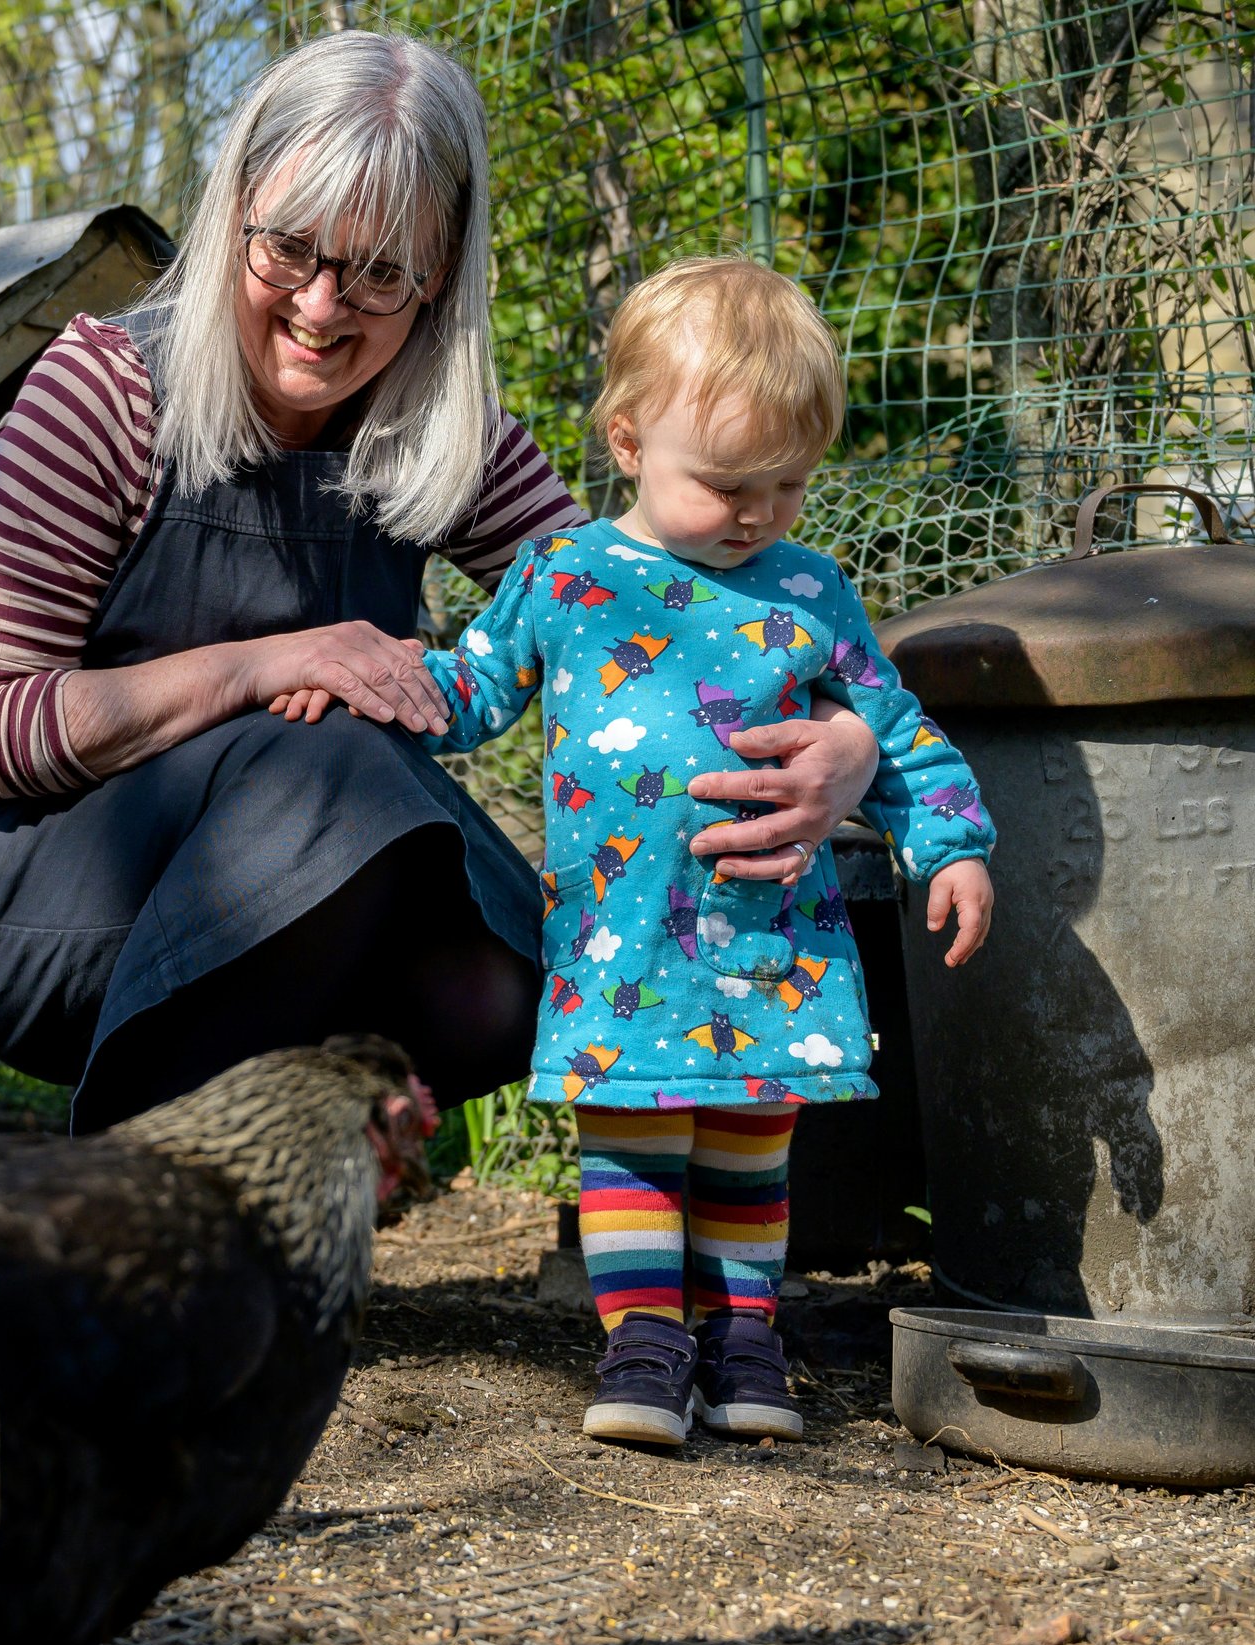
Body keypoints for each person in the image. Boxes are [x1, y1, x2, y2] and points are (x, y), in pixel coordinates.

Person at [0, 31, 885, 1129]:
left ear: (438, 275)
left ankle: (275, 1181)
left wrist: (844, 739)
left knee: (513, 939)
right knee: (340, 760)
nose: (320, 307)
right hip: (19, 878)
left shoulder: (444, 435)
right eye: (288, 250)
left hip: (286, 871)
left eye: (377, 273)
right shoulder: (102, 392)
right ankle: (154, 1198)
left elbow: (654, 620)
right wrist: (270, 664)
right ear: (234, 217)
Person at [418, 256, 996, 1447]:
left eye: (787, 483)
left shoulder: (809, 589)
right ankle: (641, 1342)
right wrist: (373, 685)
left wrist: (949, 847)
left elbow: (896, 732)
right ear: (628, 441)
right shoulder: (565, 575)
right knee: (629, 1133)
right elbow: (469, 690)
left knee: (747, 1142)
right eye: (727, 482)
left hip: (773, 941)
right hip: (618, 935)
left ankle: (744, 1336)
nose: (758, 512)